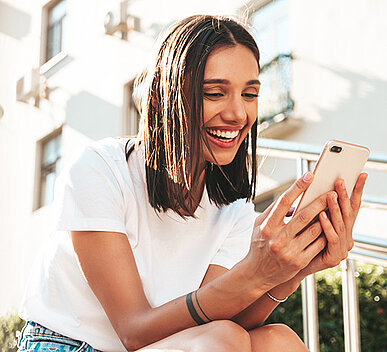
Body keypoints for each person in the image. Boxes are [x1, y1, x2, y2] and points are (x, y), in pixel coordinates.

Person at [17, 15, 367, 352]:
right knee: (222, 340)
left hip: (167, 344)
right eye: (215, 93)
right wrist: (255, 271)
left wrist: (294, 271)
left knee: (277, 340)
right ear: (161, 98)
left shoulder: (233, 210)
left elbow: (216, 317)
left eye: (249, 94)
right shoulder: (100, 169)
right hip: (70, 345)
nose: (238, 114)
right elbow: (133, 330)